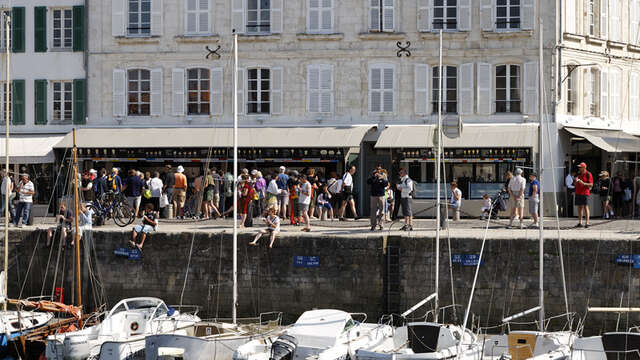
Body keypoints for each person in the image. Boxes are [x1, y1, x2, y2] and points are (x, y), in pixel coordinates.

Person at [367, 166, 388, 231]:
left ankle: (381, 225)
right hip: (373, 195)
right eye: (377, 169)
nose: (378, 170)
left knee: (381, 211)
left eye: (380, 169)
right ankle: (373, 225)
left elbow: (386, 184)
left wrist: (383, 179)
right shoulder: (372, 174)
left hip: (381, 195)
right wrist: (374, 177)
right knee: (373, 210)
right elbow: (368, 182)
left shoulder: (384, 175)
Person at [574, 162, 593, 228]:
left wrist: (583, 183)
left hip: (585, 192)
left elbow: (591, 184)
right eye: (579, 167)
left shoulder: (588, 174)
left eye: (580, 167)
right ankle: (580, 222)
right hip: (578, 192)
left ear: (584, 168)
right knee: (579, 207)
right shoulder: (578, 174)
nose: (579, 168)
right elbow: (575, 184)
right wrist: (576, 182)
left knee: (585, 207)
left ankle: (587, 223)